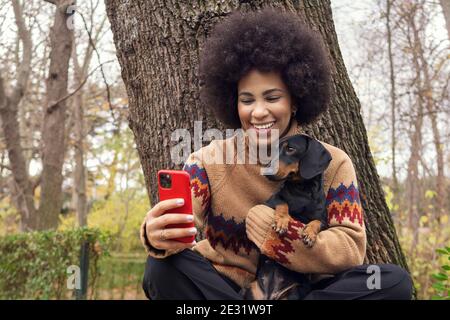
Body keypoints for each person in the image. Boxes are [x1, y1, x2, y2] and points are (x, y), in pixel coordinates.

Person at [140, 7, 413, 300]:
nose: (258, 112)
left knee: (391, 281)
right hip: (226, 291)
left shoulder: (333, 163)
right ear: (234, 104)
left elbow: (349, 248)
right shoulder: (208, 161)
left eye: (272, 97)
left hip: (304, 290)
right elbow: (180, 226)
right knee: (161, 268)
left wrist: (282, 239)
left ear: (295, 100)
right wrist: (157, 234)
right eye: (247, 100)